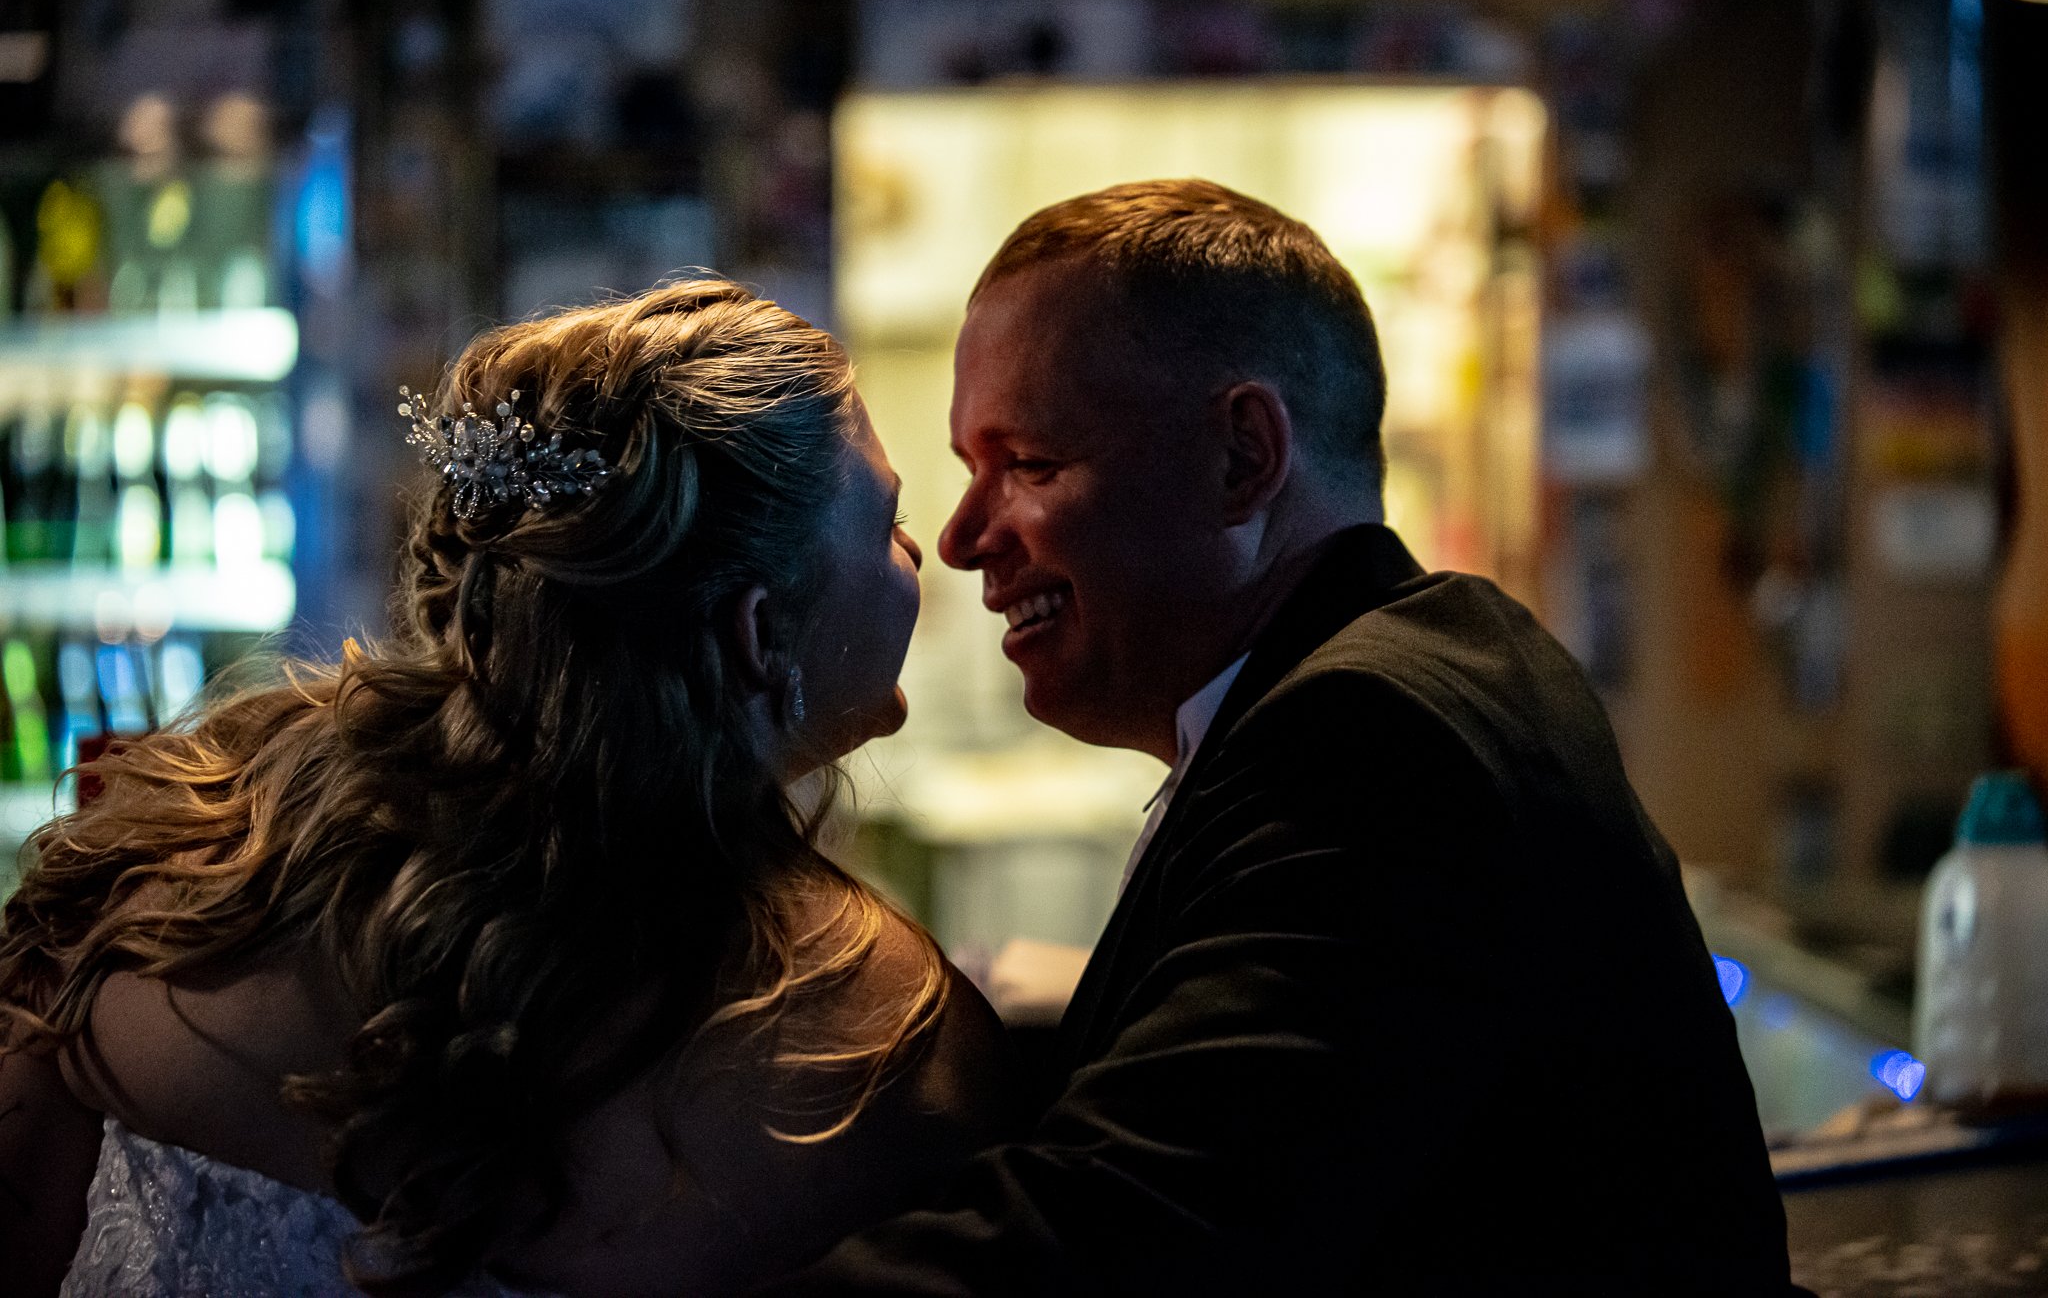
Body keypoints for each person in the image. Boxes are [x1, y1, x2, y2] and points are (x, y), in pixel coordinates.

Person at [756, 179, 1795, 1295]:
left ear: (1242, 456)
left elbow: (1125, 1231)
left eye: (1031, 465)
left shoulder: (1375, 742)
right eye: (971, 471)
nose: (963, 541)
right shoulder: (1408, 666)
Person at [0, 279, 1010, 1297]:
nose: (922, 553)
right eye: (888, 522)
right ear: (756, 634)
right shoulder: (887, 1056)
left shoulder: (185, 851)